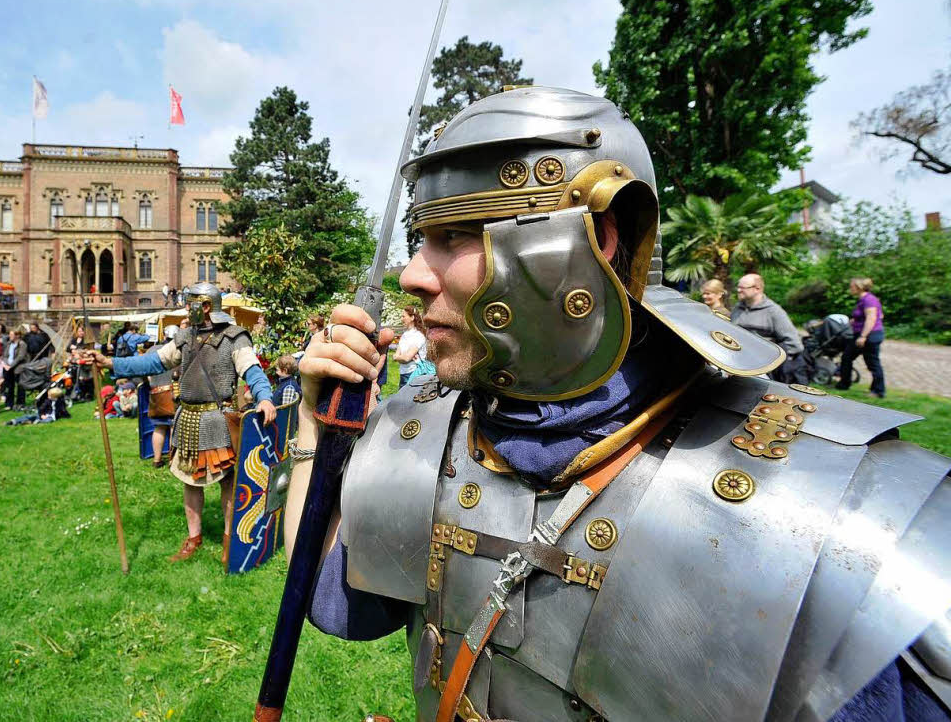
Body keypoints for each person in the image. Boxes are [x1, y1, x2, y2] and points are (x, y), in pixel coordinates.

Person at [287, 87, 951, 722]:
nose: (412, 273)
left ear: (592, 240)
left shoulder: (831, 511)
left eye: (456, 235)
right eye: (419, 238)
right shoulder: (431, 428)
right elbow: (334, 598)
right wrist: (319, 431)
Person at [88, 282, 277, 563]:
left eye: (191, 304)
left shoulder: (235, 338)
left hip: (217, 419)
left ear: (204, 307)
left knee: (226, 483)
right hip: (187, 419)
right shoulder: (185, 337)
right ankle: (193, 538)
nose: (186, 309)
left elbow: (252, 370)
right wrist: (111, 363)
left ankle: (228, 540)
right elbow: (152, 363)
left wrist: (264, 397)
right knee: (190, 482)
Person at [731, 273, 808, 384]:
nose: (738, 290)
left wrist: (768, 360)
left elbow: (794, 344)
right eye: (738, 287)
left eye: (742, 287)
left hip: (762, 371)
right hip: (735, 363)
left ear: (757, 289)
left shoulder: (774, 311)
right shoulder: (737, 309)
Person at [837, 277, 886, 398]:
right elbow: (880, 315)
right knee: (847, 357)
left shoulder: (869, 300)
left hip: (869, 336)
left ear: (858, 287)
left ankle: (878, 391)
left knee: (872, 363)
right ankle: (844, 384)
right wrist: (854, 321)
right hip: (864, 334)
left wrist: (863, 336)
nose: (850, 288)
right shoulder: (864, 299)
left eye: (851, 286)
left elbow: (871, 318)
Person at [392, 305, 426, 388]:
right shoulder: (404, 335)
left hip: (415, 374)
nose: (402, 319)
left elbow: (406, 358)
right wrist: (400, 357)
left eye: (404, 316)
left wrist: (397, 358)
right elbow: (398, 355)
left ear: (412, 317)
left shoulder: (419, 335)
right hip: (403, 373)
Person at [1, 329, 28, 410]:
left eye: (12, 335)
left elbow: (20, 357)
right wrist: (6, 364)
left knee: (20, 386)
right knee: (9, 386)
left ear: (17, 336)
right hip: (7, 367)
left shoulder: (22, 344)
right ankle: (9, 404)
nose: (10, 336)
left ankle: (20, 403)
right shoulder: (8, 343)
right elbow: (5, 355)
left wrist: (11, 365)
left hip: (18, 368)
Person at [67, 326, 94, 401]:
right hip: (75, 361)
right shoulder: (74, 339)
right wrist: (72, 350)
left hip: (85, 362)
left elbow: (86, 350)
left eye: (82, 331)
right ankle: (78, 394)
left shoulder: (86, 341)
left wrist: (76, 350)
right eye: (79, 331)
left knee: (86, 379)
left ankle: (89, 394)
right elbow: (68, 348)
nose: (81, 333)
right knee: (74, 378)